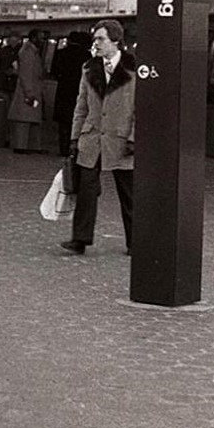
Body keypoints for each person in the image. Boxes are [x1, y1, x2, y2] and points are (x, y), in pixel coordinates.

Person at [62, 18, 136, 256]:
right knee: (86, 190)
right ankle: (80, 239)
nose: (96, 43)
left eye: (101, 39)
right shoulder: (88, 68)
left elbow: (143, 107)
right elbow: (81, 106)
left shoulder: (135, 68)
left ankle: (135, 241)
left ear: (116, 41)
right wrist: (74, 139)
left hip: (122, 141)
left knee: (129, 194)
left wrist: (134, 138)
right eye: (95, 39)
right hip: (92, 138)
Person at [50, 30, 92, 158]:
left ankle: (63, 148)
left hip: (64, 90)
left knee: (63, 122)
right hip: (79, 90)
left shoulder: (61, 53)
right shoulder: (86, 55)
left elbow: (54, 71)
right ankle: (76, 148)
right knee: (79, 118)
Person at [6, 29, 47, 152]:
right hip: (29, 92)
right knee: (24, 120)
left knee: (30, 120)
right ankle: (21, 146)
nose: (43, 41)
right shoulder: (28, 53)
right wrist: (29, 93)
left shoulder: (30, 51)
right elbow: (26, 74)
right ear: (33, 38)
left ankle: (29, 146)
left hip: (32, 90)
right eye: (41, 38)